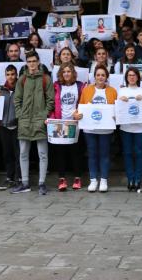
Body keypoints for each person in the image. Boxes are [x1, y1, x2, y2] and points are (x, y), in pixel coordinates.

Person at [12, 51, 55, 195]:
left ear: (38, 62)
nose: (31, 64)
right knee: (23, 153)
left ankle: (42, 183)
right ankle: (25, 183)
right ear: (26, 63)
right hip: (24, 121)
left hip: (40, 121)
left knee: (42, 154)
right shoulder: (22, 79)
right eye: (29, 61)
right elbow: (17, 99)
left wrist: (44, 115)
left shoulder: (45, 79)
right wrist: (20, 115)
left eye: (33, 61)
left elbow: (50, 100)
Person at [75, 64, 117, 192]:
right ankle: (93, 180)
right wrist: (77, 114)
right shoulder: (87, 90)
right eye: (98, 75)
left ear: (106, 77)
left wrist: (116, 116)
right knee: (92, 154)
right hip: (89, 128)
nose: (100, 77)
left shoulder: (112, 91)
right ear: (94, 77)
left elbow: (116, 109)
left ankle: (104, 180)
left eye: (103, 75)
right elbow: (80, 106)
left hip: (106, 129)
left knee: (104, 154)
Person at [48, 63, 85, 191]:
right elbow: (51, 103)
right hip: (60, 123)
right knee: (60, 152)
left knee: (76, 152)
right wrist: (51, 118)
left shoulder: (80, 86)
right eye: (64, 72)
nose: (67, 74)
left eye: (69, 71)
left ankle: (77, 178)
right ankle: (62, 179)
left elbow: (84, 102)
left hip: (75, 123)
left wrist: (79, 113)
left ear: (73, 73)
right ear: (61, 74)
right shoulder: (56, 86)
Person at [117, 67, 142, 193]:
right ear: (126, 77)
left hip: (140, 128)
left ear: (138, 77)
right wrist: (121, 100)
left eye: (134, 75)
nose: (132, 77)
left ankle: (138, 179)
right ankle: (130, 179)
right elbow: (118, 108)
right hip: (126, 128)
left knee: (139, 154)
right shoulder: (121, 91)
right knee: (128, 153)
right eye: (129, 75)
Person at [0, 64, 21, 190]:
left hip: (17, 126)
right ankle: (9, 177)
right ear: (5, 75)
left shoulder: (21, 88)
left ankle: (18, 178)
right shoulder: (0, 90)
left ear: (16, 75)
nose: (10, 77)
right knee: (7, 153)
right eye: (8, 74)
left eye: (12, 74)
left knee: (18, 153)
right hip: (3, 126)